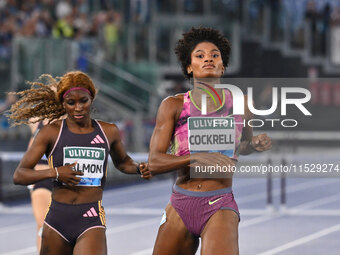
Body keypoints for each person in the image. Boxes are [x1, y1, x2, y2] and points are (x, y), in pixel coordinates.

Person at [148, 27, 272, 255]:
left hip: (219, 204)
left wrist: (253, 145)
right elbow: (154, 162)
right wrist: (195, 157)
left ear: (222, 66)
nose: (208, 59)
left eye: (215, 55)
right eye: (200, 55)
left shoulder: (240, 104)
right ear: (188, 66)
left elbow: (241, 147)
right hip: (180, 204)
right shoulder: (173, 106)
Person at [7, 71, 151, 255]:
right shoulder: (50, 132)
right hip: (57, 220)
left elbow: (123, 162)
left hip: (91, 218)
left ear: (91, 98)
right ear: (62, 103)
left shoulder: (108, 131)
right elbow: (19, 175)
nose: (78, 108)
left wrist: (138, 168)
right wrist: (56, 172)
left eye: (83, 101)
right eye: (71, 102)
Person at [27, 120, 54, 253]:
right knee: (43, 227)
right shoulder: (35, 120)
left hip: (64, 180)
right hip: (41, 179)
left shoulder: (70, 116)